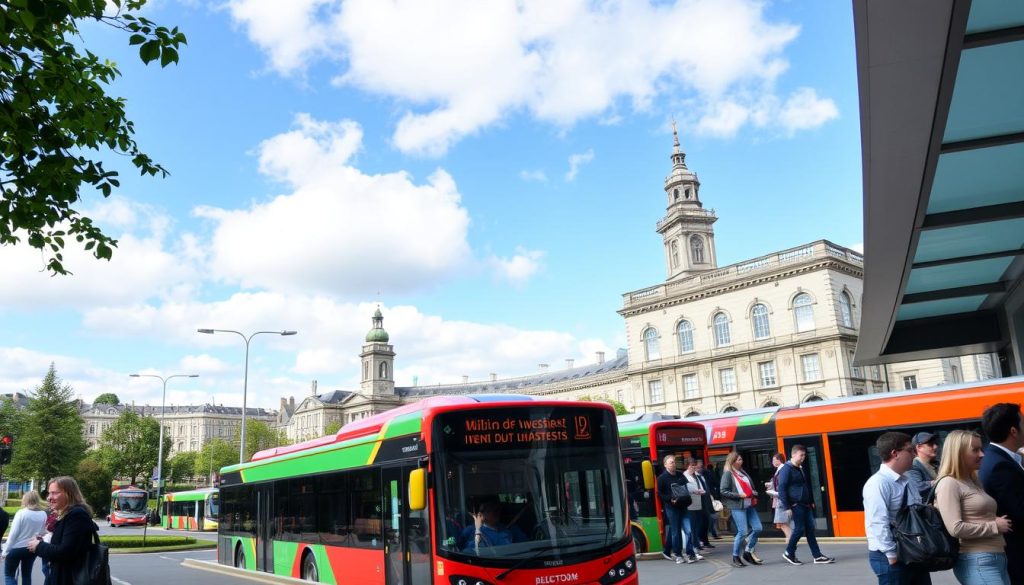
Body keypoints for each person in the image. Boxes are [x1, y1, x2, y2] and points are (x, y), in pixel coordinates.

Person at [934, 430, 1012, 585]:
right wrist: (993, 526)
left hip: (994, 558)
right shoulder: (948, 483)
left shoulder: (971, 480)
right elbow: (955, 528)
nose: (982, 454)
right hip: (976, 560)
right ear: (958, 453)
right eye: (975, 450)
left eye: (981, 449)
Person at [863, 431, 931, 585]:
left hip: (914, 551)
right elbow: (878, 522)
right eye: (910, 450)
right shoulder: (878, 483)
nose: (914, 455)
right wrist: (891, 555)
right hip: (892, 556)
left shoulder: (907, 480)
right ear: (895, 453)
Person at [979, 403, 1024, 585]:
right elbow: (1019, 510)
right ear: (1013, 431)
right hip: (1017, 552)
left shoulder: (1000, 458)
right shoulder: (1000, 465)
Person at [27, 477, 99, 585]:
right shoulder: (68, 514)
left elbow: (66, 551)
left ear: (69, 494)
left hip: (70, 579)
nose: (49, 498)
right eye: (49, 493)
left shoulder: (76, 515)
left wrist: (39, 546)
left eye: (54, 493)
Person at [777, 444, 834, 566]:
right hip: (796, 504)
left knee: (810, 530)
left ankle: (817, 556)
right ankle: (789, 552)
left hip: (805, 504)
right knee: (799, 529)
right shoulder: (786, 469)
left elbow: (804, 486)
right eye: (801, 455)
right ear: (793, 454)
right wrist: (787, 507)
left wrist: (810, 501)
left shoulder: (799, 467)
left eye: (804, 455)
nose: (803, 457)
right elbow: (781, 488)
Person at [720, 451, 763, 568]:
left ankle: (748, 551)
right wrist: (739, 495)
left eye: (741, 459)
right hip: (737, 506)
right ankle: (735, 556)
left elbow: (749, 487)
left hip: (749, 504)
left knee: (758, 528)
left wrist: (753, 492)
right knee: (742, 532)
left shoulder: (742, 472)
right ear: (733, 461)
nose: (741, 461)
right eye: (738, 460)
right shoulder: (728, 474)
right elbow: (723, 491)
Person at [3, 491, 48, 585]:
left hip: (16, 548)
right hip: (31, 548)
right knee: (26, 575)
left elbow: (13, 534)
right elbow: (43, 532)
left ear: (25, 500)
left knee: (9, 575)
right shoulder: (43, 514)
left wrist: (5, 551)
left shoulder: (21, 513)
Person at [656, 454, 688, 563]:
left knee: (675, 529)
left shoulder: (680, 474)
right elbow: (660, 494)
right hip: (671, 507)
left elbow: (685, 486)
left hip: (683, 505)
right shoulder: (661, 478)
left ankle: (666, 550)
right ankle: (677, 554)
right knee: (676, 531)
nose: (674, 464)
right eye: (671, 462)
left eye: (674, 462)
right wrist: (670, 499)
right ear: (665, 465)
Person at [460, 500, 527, 552]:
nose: (497, 513)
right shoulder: (471, 530)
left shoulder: (509, 529)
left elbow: (525, 546)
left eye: (498, 510)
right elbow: (470, 552)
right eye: (493, 510)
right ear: (481, 515)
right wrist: (478, 530)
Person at [680, 458, 706, 563]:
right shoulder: (684, 476)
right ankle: (693, 550)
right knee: (691, 529)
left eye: (694, 465)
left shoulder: (696, 476)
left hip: (698, 504)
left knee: (696, 527)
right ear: (687, 466)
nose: (693, 467)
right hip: (689, 505)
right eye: (691, 465)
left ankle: (696, 548)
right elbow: (685, 489)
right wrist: (695, 491)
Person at [766, 452, 793, 540]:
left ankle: (790, 541)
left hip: (781, 499)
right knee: (784, 523)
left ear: (779, 460)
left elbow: (782, 486)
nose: (772, 461)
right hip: (781, 499)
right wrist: (771, 484)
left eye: (774, 459)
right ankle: (790, 540)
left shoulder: (782, 470)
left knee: (782, 523)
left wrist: (775, 492)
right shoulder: (780, 470)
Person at [905, 431, 940, 500]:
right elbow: (917, 487)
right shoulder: (912, 467)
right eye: (930, 444)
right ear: (919, 447)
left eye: (935, 443)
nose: (935, 447)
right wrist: (937, 482)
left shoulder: (937, 463)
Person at [696, 459, 720, 542]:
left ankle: (707, 538)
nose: (700, 469)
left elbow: (716, 483)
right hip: (699, 501)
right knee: (703, 520)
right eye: (698, 467)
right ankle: (703, 539)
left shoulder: (707, 473)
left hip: (709, 498)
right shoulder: (694, 476)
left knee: (710, 518)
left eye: (701, 467)